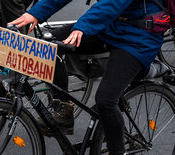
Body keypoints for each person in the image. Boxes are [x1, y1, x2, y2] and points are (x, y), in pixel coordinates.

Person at [9, 0, 165, 154]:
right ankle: (63, 109)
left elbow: (113, 3)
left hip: (139, 36)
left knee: (105, 100)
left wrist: (83, 27)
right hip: (111, 26)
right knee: (46, 48)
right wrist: (35, 13)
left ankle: (117, 151)